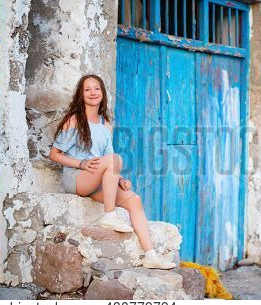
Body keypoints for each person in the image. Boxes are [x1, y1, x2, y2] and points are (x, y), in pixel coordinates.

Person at [49, 74, 175, 270]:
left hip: (97, 180)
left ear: (102, 93)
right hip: (76, 178)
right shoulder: (73, 120)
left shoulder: (106, 124)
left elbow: (109, 157)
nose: (93, 92)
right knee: (115, 160)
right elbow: (54, 154)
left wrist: (120, 179)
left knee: (134, 200)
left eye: (97, 88)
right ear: (81, 95)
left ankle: (150, 255)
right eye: (87, 89)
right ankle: (109, 215)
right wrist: (81, 164)